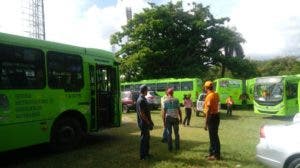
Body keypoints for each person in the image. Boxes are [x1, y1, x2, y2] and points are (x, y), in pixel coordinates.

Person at [203, 81, 221, 160]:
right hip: (216, 116)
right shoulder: (216, 94)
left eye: (204, 87)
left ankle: (216, 155)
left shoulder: (209, 96)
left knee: (214, 137)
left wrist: (205, 123)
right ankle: (211, 153)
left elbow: (208, 111)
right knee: (213, 136)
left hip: (212, 117)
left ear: (206, 88)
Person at [136, 85, 154, 160]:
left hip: (145, 122)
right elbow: (142, 114)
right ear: (144, 90)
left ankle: (146, 154)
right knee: (144, 139)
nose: (148, 91)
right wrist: (148, 122)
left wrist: (150, 121)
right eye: (147, 90)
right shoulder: (141, 100)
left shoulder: (143, 98)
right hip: (143, 123)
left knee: (147, 138)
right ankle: (143, 156)